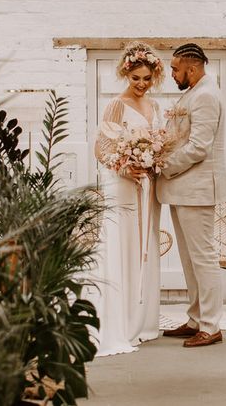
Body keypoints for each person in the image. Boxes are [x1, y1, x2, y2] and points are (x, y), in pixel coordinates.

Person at [92, 41, 165, 355]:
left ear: (154, 77)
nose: (141, 84)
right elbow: (101, 148)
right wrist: (123, 167)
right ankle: (120, 320)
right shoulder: (115, 105)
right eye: (136, 78)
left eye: (147, 78)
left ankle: (143, 321)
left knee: (144, 244)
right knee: (122, 245)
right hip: (123, 184)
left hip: (148, 186)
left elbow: (161, 142)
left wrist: (153, 161)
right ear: (126, 73)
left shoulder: (156, 107)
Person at [157, 42, 226, 348]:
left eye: (175, 68)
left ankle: (211, 326)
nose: (172, 73)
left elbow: (200, 147)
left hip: (197, 190)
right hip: (183, 190)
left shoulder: (207, 95)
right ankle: (195, 319)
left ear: (193, 67)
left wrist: (164, 166)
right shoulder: (193, 93)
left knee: (203, 258)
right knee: (189, 260)